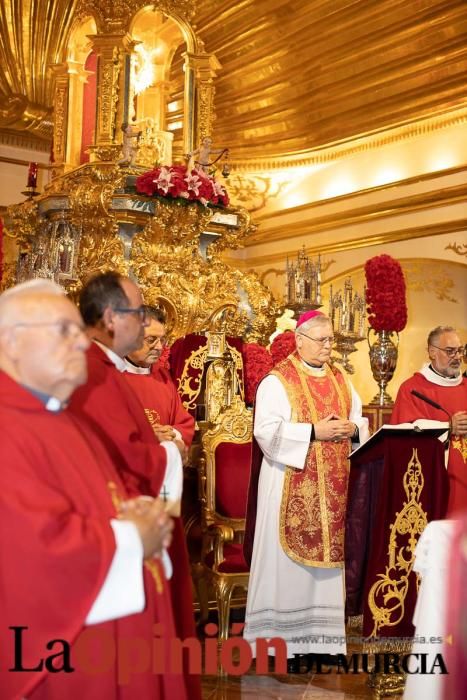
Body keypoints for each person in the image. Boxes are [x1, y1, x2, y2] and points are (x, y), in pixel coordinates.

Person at [0, 280, 186, 699]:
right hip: (66, 659)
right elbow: (29, 550)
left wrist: (140, 510)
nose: (82, 343)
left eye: (78, 331)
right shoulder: (7, 423)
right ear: (12, 342)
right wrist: (132, 537)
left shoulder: (59, 417)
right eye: (63, 331)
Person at [69, 272, 200, 700]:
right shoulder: (94, 371)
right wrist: (169, 454)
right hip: (119, 533)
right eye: (137, 313)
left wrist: (171, 443)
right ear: (110, 317)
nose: (145, 325)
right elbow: (123, 457)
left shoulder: (107, 368)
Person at [243, 310, 369, 671]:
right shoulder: (277, 381)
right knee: (287, 566)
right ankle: (278, 644)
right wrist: (313, 431)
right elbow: (266, 432)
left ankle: (322, 644)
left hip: (334, 489)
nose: (330, 346)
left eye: (331, 339)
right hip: (289, 485)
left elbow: (360, 419)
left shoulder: (341, 380)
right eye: (323, 340)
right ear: (300, 340)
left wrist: (351, 429)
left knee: (327, 571)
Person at [124, 305, 197, 667]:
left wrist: (173, 436)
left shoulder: (163, 378)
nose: (158, 347)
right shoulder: (113, 380)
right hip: (131, 491)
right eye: (150, 339)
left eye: (162, 340)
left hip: (165, 490)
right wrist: (144, 436)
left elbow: (185, 423)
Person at [390, 325, 467, 515]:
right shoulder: (413, 388)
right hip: (435, 481)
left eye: (460, 350)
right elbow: (403, 435)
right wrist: (447, 428)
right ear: (432, 352)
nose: (457, 357)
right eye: (450, 351)